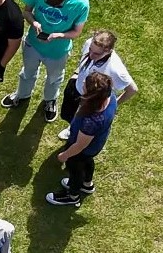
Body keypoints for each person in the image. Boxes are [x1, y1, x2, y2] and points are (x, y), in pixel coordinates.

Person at [3, 0, 90, 121]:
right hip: (33, 44)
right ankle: (22, 94)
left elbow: (77, 32)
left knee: (54, 78)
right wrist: (34, 22)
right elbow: (26, 12)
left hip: (58, 51)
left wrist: (58, 35)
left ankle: (50, 100)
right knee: (27, 72)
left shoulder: (81, 4)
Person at [46, 70, 120, 206]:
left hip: (82, 150)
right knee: (88, 162)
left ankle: (72, 196)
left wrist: (65, 155)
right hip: (95, 146)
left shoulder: (91, 120)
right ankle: (87, 184)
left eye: (85, 85)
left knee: (75, 171)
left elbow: (80, 145)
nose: (83, 85)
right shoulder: (111, 98)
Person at [58, 29, 138, 139]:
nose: (91, 55)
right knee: (69, 114)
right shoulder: (89, 43)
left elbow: (132, 90)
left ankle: (75, 134)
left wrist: (114, 106)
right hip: (77, 88)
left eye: (96, 53)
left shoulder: (115, 69)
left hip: (92, 100)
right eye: (90, 50)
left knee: (83, 123)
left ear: (109, 51)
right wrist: (77, 74)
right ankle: (71, 128)